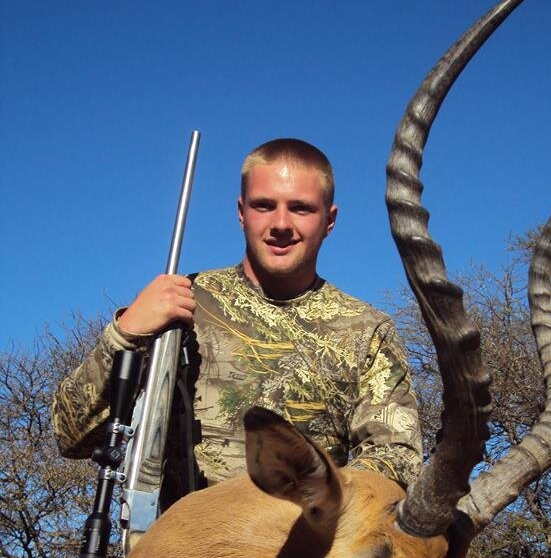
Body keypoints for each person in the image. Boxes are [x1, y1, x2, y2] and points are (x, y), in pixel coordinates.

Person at [53, 139, 422, 501]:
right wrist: (125, 332)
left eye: (301, 208)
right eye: (264, 205)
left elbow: (396, 460)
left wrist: (304, 510)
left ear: (330, 219)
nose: (281, 223)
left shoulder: (368, 329)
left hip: (305, 552)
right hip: (181, 553)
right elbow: (71, 436)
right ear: (241, 211)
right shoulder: (179, 302)